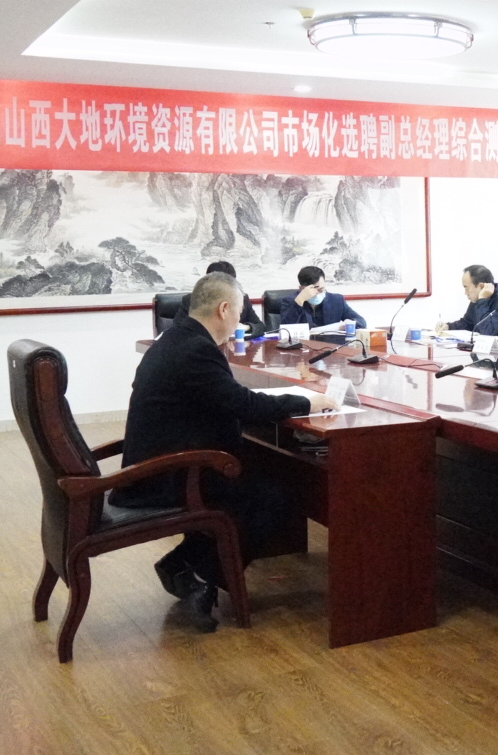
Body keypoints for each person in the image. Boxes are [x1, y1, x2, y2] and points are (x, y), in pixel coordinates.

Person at [113, 271, 337, 631]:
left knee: (260, 480)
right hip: (165, 477)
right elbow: (243, 405)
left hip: (157, 463)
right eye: (240, 310)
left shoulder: (177, 338)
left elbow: (227, 400)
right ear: (223, 309)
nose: (241, 320)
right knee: (273, 498)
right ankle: (203, 578)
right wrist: (308, 403)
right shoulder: (196, 351)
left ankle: (180, 564)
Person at [173, 260, 262, 332]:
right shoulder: (192, 299)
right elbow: (177, 328)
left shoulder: (242, 299)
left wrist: (246, 327)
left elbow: (260, 326)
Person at [446, 264, 498, 340]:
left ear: (481, 286)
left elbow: (486, 331)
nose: (465, 293)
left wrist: (482, 300)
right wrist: (448, 326)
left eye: (466, 288)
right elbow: (467, 323)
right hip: (494, 350)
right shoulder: (478, 300)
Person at [279, 265, 366, 330]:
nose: (317, 293)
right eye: (313, 289)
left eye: (321, 289)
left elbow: (361, 321)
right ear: (301, 288)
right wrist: (299, 301)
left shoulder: (336, 300)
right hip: (303, 346)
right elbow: (285, 329)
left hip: (331, 345)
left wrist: (350, 324)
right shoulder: (290, 301)